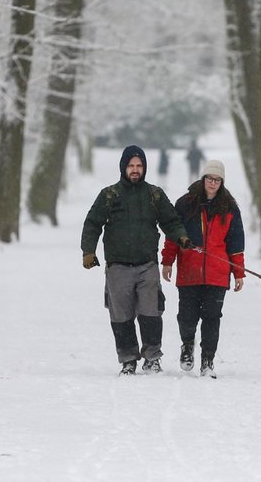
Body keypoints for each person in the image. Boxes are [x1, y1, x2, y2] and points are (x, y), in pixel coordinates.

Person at [81, 145, 191, 375]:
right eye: (131, 166)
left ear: (144, 168)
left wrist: (180, 236)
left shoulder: (155, 194)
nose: (135, 170)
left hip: (147, 265)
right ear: (123, 167)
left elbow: (170, 221)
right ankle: (128, 359)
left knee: (151, 312)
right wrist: (88, 251)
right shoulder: (109, 195)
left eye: (139, 166)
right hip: (117, 266)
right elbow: (93, 223)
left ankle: (152, 358)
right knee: (121, 316)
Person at [160, 159, 245, 378]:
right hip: (189, 271)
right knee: (187, 316)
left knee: (212, 318)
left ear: (222, 182)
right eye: (210, 178)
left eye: (217, 180)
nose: (213, 183)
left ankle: (208, 360)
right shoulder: (185, 204)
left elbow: (236, 243)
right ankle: (187, 346)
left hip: (217, 273)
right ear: (203, 178)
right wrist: (168, 261)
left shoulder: (230, 208)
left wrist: (238, 273)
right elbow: (173, 235)